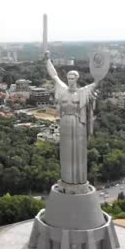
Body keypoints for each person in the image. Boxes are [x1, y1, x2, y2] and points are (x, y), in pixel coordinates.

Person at [45, 53, 101, 187]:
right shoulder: (62, 90)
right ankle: (66, 179)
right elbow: (54, 75)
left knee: (78, 150)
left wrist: (99, 71)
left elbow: (96, 83)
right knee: (65, 150)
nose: (70, 80)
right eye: (68, 77)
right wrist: (47, 59)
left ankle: (78, 180)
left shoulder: (83, 92)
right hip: (65, 122)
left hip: (78, 123)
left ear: (76, 79)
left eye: (72, 78)